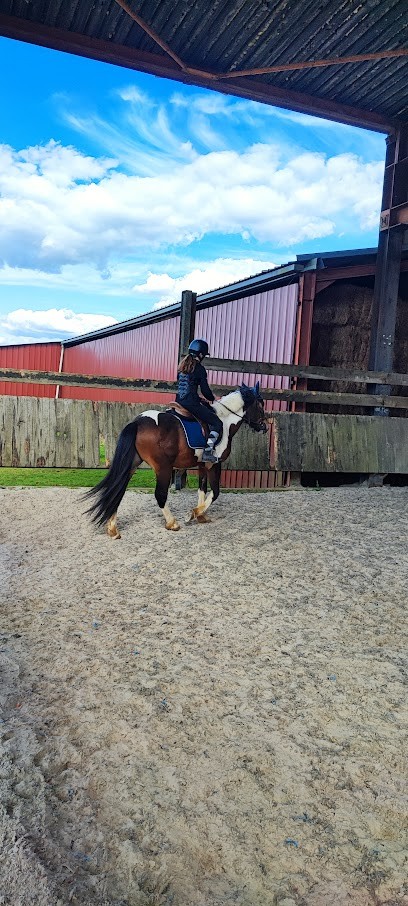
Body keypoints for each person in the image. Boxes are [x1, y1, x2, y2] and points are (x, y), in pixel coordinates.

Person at [176, 338, 223, 463]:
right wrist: (212, 398)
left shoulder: (181, 367)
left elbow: (186, 389)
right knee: (217, 423)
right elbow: (206, 390)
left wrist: (200, 399)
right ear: (201, 354)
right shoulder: (199, 369)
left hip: (178, 402)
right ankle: (207, 452)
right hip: (191, 404)